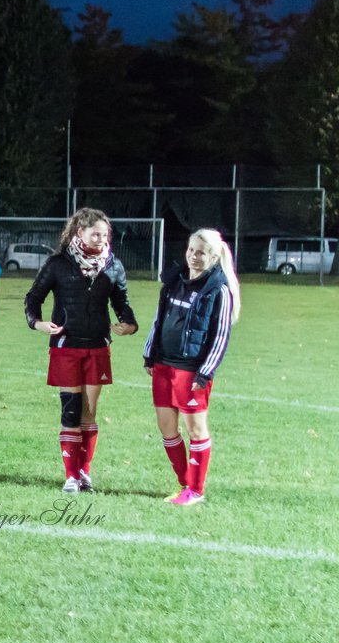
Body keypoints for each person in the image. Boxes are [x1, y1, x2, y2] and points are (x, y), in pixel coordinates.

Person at [25, 207, 138, 493]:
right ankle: (70, 476)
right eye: (95, 234)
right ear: (80, 233)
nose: (101, 239)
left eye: (105, 234)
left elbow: (122, 303)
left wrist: (129, 324)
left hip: (98, 346)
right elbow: (33, 297)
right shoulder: (58, 263)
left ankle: (84, 473)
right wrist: (37, 323)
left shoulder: (113, 265)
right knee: (70, 411)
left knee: (89, 413)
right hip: (66, 346)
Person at [143, 228, 241, 506]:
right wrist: (150, 354)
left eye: (201, 252)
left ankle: (195, 490)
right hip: (163, 365)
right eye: (191, 250)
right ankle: (185, 483)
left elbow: (221, 336)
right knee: (166, 428)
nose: (194, 257)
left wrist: (205, 371)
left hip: (191, 370)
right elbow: (159, 320)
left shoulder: (218, 289)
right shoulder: (175, 282)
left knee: (196, 429)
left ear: (213, 256)